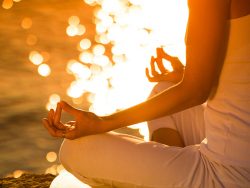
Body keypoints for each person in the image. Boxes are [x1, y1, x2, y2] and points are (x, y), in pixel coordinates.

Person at [43, 0, 250, 187]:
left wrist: (102, 122)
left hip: (229, 175)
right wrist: (188, 74)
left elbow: (195, 92)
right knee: (163, 89)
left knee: (74, 151)